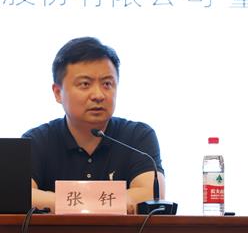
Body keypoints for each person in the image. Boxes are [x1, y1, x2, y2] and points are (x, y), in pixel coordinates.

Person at [23, 37, 166, 214]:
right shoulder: (36, 141)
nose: (98, 95)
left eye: (107, 84)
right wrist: (115, 202)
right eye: (85, 84)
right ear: (58, 93)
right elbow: (21, 196)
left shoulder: (137, 136)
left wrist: (59, 202)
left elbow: (152, 195)